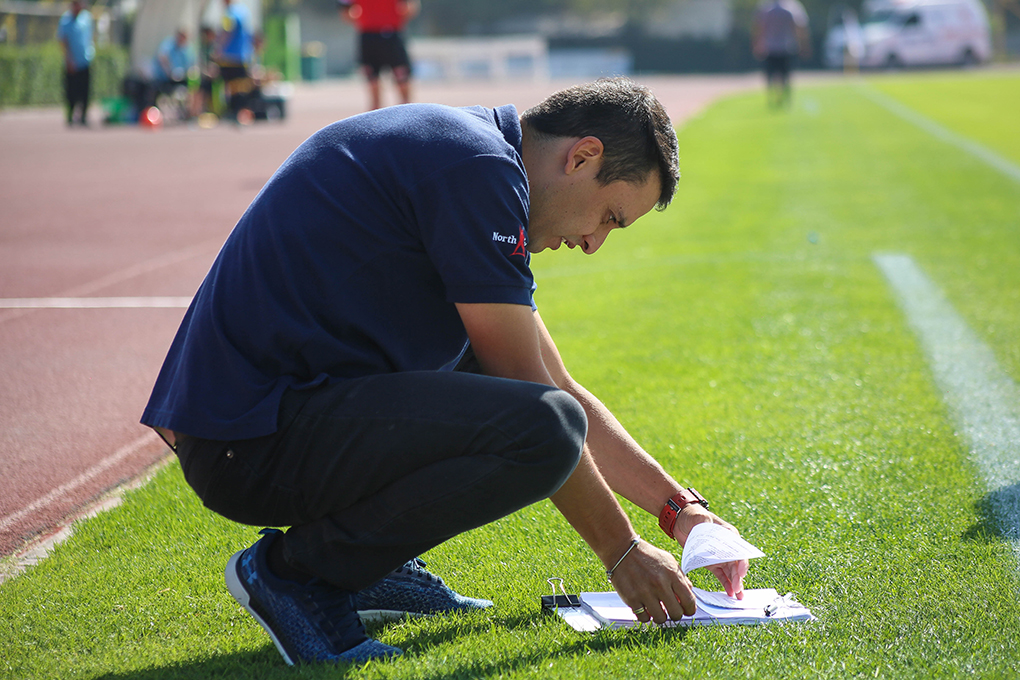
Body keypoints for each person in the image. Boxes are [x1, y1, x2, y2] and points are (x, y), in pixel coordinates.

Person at [141, 77, 749, 665]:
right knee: (539, 425)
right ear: (583, 157)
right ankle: (296, 574)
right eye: (611, 216)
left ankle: (368, 567)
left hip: (265, 422)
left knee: (534, 408)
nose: (594, 244)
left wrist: (680, 510)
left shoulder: (472, 156)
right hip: (249, 441)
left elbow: (557, 384)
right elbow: (538, 403)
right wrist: (623, 553)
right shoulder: (477, 168)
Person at [338, 0, 419, 110]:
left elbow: (345, 12)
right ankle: (405, 112)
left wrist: (367, 19)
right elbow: (411, 8)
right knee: (380, 77)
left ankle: (385, 113)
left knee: (388, 77)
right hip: (385, 33)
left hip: (376, 34)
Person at [752, 0, 811, 108]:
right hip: (786, 47)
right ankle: (785, 97)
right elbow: (800, 26)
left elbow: (759, 27)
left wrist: (757, 45)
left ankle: (772, 96)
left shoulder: (765, 7)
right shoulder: (792, 7)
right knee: (785, 75)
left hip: (771, 47)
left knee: (771, 75)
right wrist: (804, 45)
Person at [56, 0, 95, 127]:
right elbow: (63, 40)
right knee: (71, 90)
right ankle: (70, 115)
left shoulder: (86, 18)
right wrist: (69, 59)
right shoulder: (66, 20)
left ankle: (83, 116)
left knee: (85, 90)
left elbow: (89, 37)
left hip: (85, 60)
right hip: (72, 62)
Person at [215, 0, 254, 117]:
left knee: (229, 85)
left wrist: (219, 48)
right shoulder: (243, 11)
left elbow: (227, 31)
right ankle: (240, 110)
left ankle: (233, 111)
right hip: (242, 55)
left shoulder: (229, 13)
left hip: (229, 57)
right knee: (240, 85)